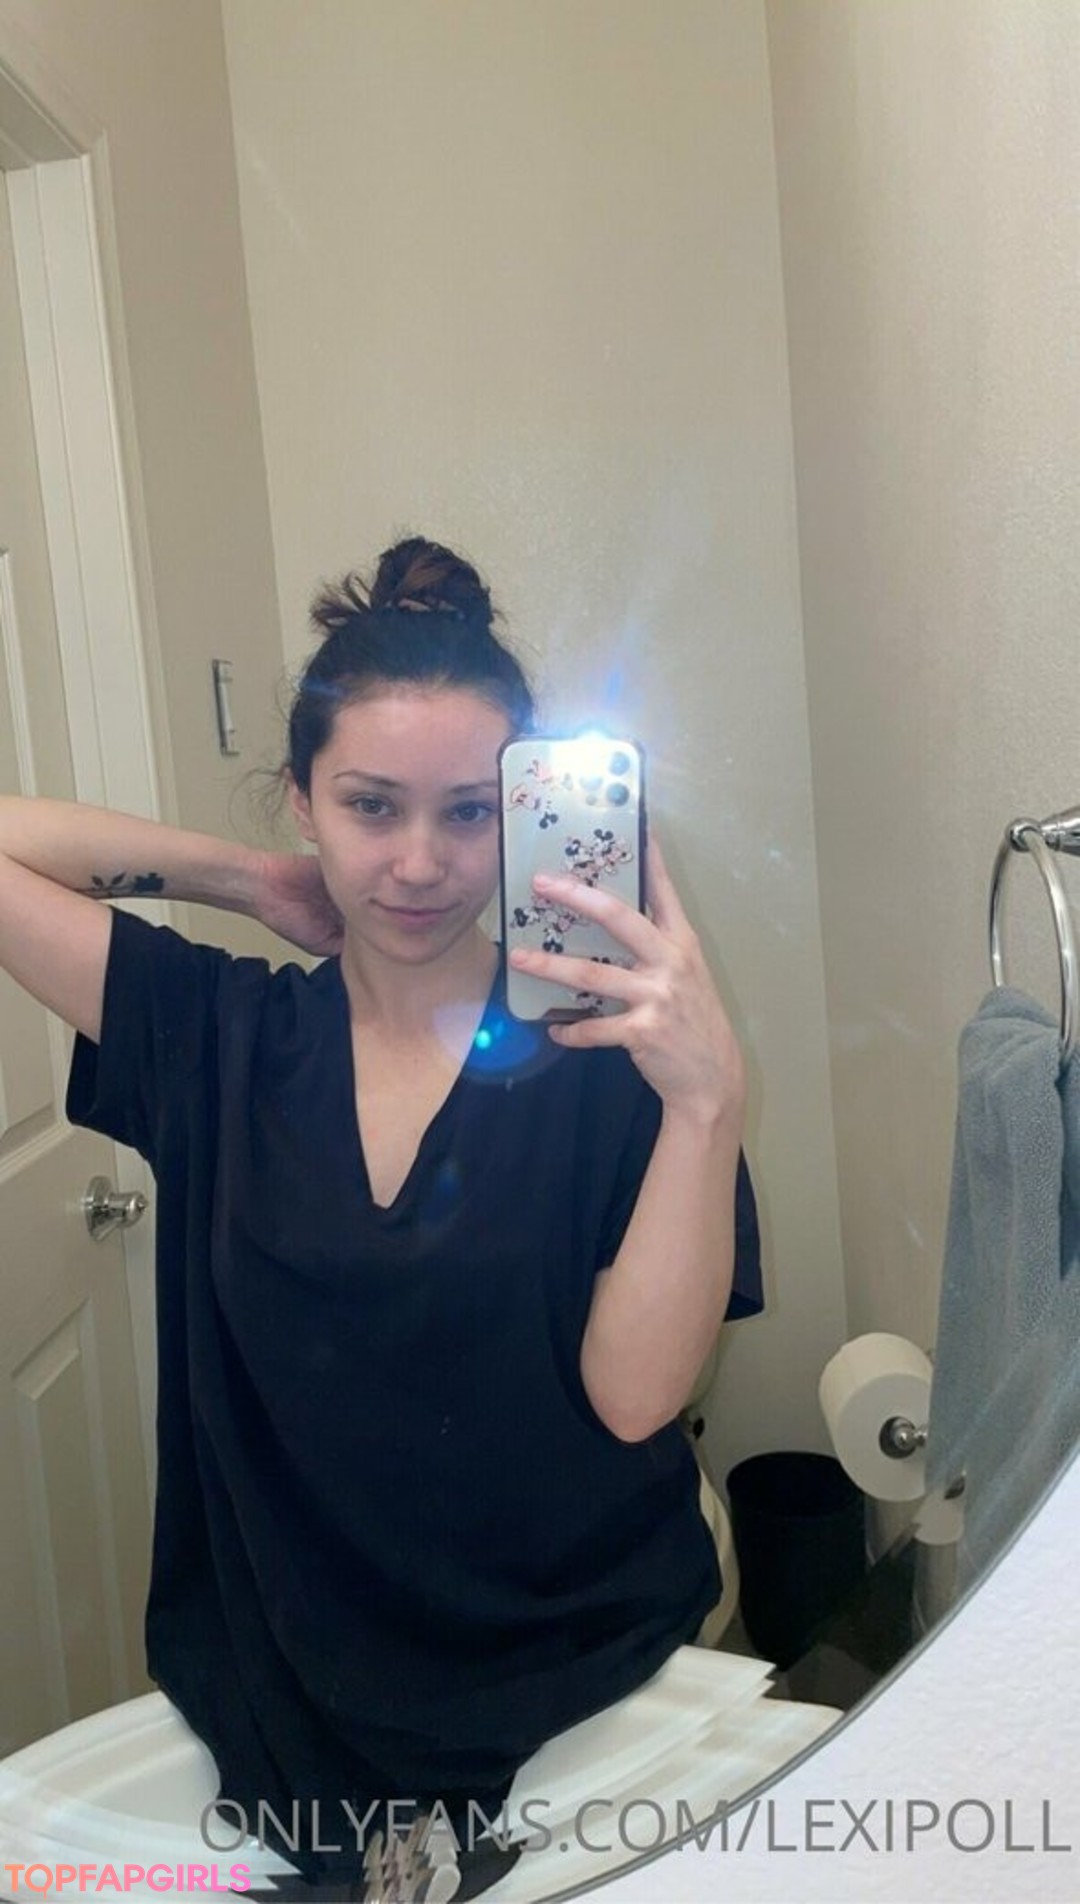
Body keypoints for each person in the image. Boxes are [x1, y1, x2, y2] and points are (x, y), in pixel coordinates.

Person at [0, 538, 761, 1902]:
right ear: (302, 801)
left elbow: (639, 1399)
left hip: (589, 1688)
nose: (419, 863)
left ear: (523, 813)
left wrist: (708, 1105)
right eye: (369, 806)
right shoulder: (214, 1035)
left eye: (469, 812)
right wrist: (243, 879)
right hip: (288, 1699)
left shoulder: (612, 1055)